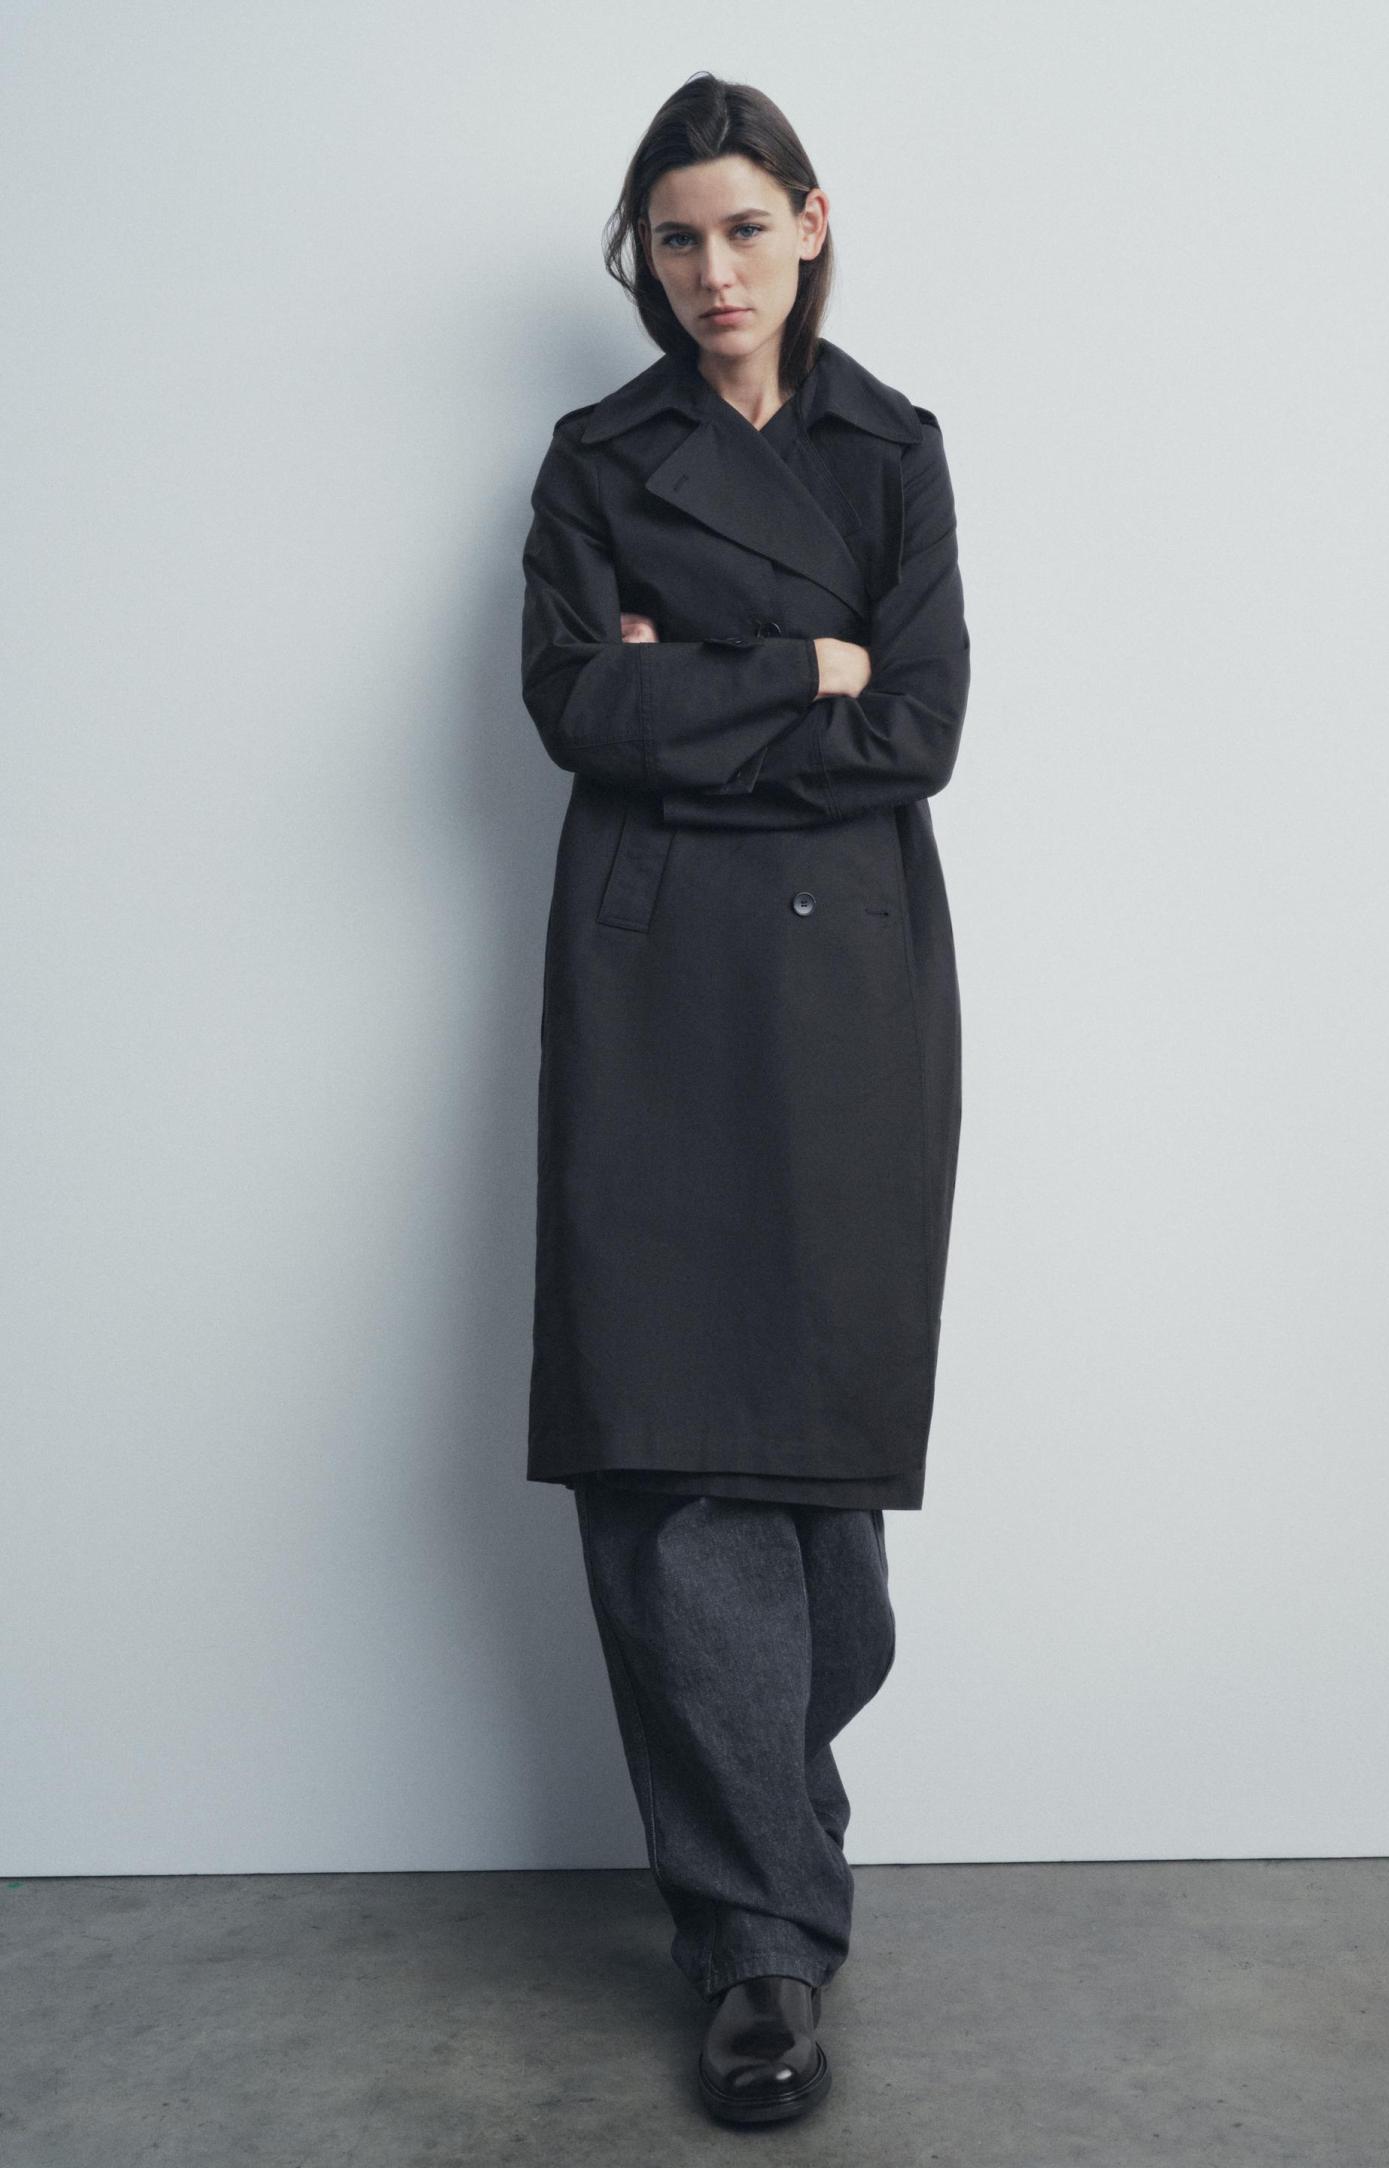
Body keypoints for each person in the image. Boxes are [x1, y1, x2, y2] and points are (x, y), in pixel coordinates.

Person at [518, 72, 971, 2125]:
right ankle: (763, 1952)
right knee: (670, 1453)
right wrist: (800, 664)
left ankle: (768, 1846)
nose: (711, 272)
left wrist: (687, 691)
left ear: (810, 222)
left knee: (821, 1479)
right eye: (675, 238)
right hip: (652, 978)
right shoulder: (596, 457)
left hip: (849, 979)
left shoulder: (893, 448)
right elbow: (575, 706)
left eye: (742, 229)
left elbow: (926, 725)